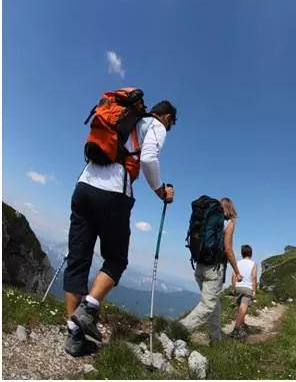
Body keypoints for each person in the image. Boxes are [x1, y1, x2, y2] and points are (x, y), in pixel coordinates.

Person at [63, 97, 177, 357]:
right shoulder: (155, 125)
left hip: (84, 186)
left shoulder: (122, 119)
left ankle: (74, 336)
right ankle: (89, 309)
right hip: (113, 192)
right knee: (116, 259)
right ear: (167, 117)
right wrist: (161, 191)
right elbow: (148, 160)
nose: (169, 128)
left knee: (78, 259)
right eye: (171, 124)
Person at [179, 198, 242, 342]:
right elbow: (228, 249)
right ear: (231, 209)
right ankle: (177, 330)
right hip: (214, 269)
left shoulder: (207, 218)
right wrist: (237, 271)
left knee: (215, 304)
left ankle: (215, 337)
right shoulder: (228, 223)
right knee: (208, 305)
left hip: (200, 266)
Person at [230, 244, 257, 340]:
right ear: (251, 253)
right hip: (247, 288)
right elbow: (253, 278)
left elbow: (233, 276)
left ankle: (243, 323)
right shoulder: (253, 264)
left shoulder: (237, 263)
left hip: (238, 287)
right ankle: (236, 329)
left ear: (242, 253)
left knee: (240, 306)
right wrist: (254, 291)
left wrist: (233, 288)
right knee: (243, 308)